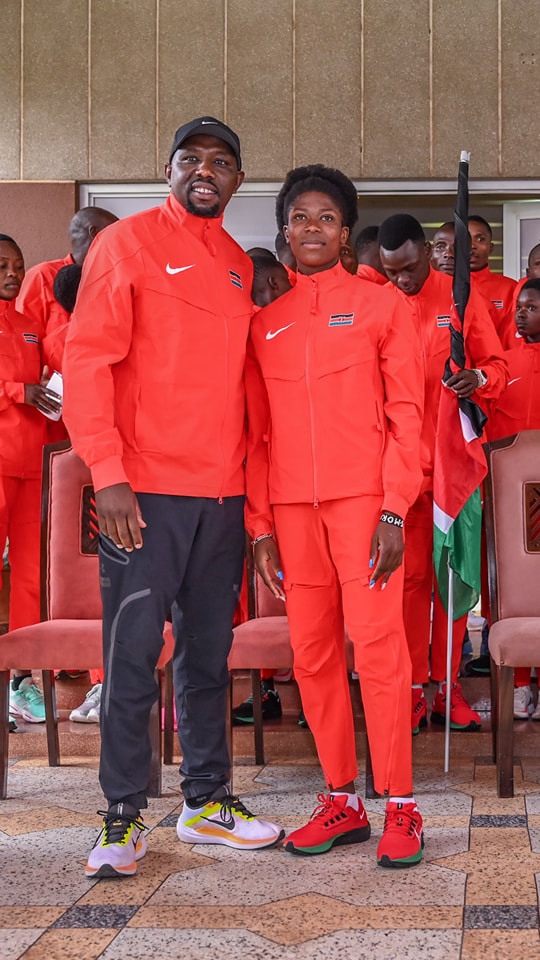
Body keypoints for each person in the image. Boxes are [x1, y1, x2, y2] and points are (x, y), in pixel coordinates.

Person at [62, 116, 284, 879]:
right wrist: (109, 473)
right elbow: (88, 361)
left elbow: (245, 397)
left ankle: (206, 801)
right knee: (131, 657)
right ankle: (122, 818)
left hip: (219, 499)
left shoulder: (232, 263)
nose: (206, 171)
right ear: (167, 170)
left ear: (236, 182)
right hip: (143, 493)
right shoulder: (125, 245)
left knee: (208, 657)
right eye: (191, 158)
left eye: (222, 162)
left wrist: (252, 511)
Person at [246, 165, 425, 868]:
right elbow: (256, 434)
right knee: (314, 656)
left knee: (379, 652)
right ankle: (342, 800)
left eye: (325, 218)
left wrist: (392, 509)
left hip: (363, 510)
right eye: (299, 218)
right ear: (284, 233)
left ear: (345, 232)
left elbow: (407, 416)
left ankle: (402, 807)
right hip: (293, 514)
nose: (312, 229)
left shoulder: (383, 308)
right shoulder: (266, 325)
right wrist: (259, 524)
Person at [379, 214, 507, 732]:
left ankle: (448, 688)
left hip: (452, 470)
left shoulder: (460, 301)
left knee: (450, 582)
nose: (403, 281)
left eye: (410, 269)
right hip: (399, 472)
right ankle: (412, 689)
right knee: (408, 586)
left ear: (429, 257)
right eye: (392, 272)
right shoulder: (380, 303)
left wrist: (477, 377)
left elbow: (497, 367)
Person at [0, 235, 62, 726]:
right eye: (2, 265)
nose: (13, 274)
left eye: (18, 265)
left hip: (32, 467)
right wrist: (17, 390)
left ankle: (21, 682)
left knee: (30, 576)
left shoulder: (27, 325)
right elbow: (18, 389)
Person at [485, 278, 540, 718]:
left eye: (532, 307)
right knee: (514, 590)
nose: (520, 314)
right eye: (519, 306)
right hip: (510, 499)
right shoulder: (503, 362)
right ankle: (520, 682)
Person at [468, 215, 517, 348]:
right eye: (465, 238)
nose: (472, 245)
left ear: (491, 247)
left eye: (480, 239)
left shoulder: (511, 288)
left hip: (498, 364)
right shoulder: (445, 287)